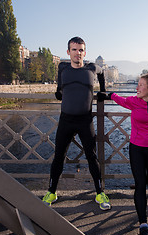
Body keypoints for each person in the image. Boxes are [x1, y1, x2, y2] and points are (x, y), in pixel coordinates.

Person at [42, 36, 111, 211]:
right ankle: (51, 192)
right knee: (59, 156)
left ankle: (99, 193)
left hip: (85, 120)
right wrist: (58, 90)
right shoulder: (63, 67)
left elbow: (102, 73)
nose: (77, 53)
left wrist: (103, 91)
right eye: (74, 50)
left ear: (84, 53)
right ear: (68, 52)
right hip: (66, 119)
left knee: (91, 157)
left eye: (81, 50)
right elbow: (59, 80)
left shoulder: (91, 68)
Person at [98, 72, 148, 235]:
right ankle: (143, 225)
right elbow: (117, 98)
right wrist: (107, 94)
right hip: (136, 148)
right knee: (140, 185)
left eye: (141, 85)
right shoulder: (133, 102)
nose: (137, 88)